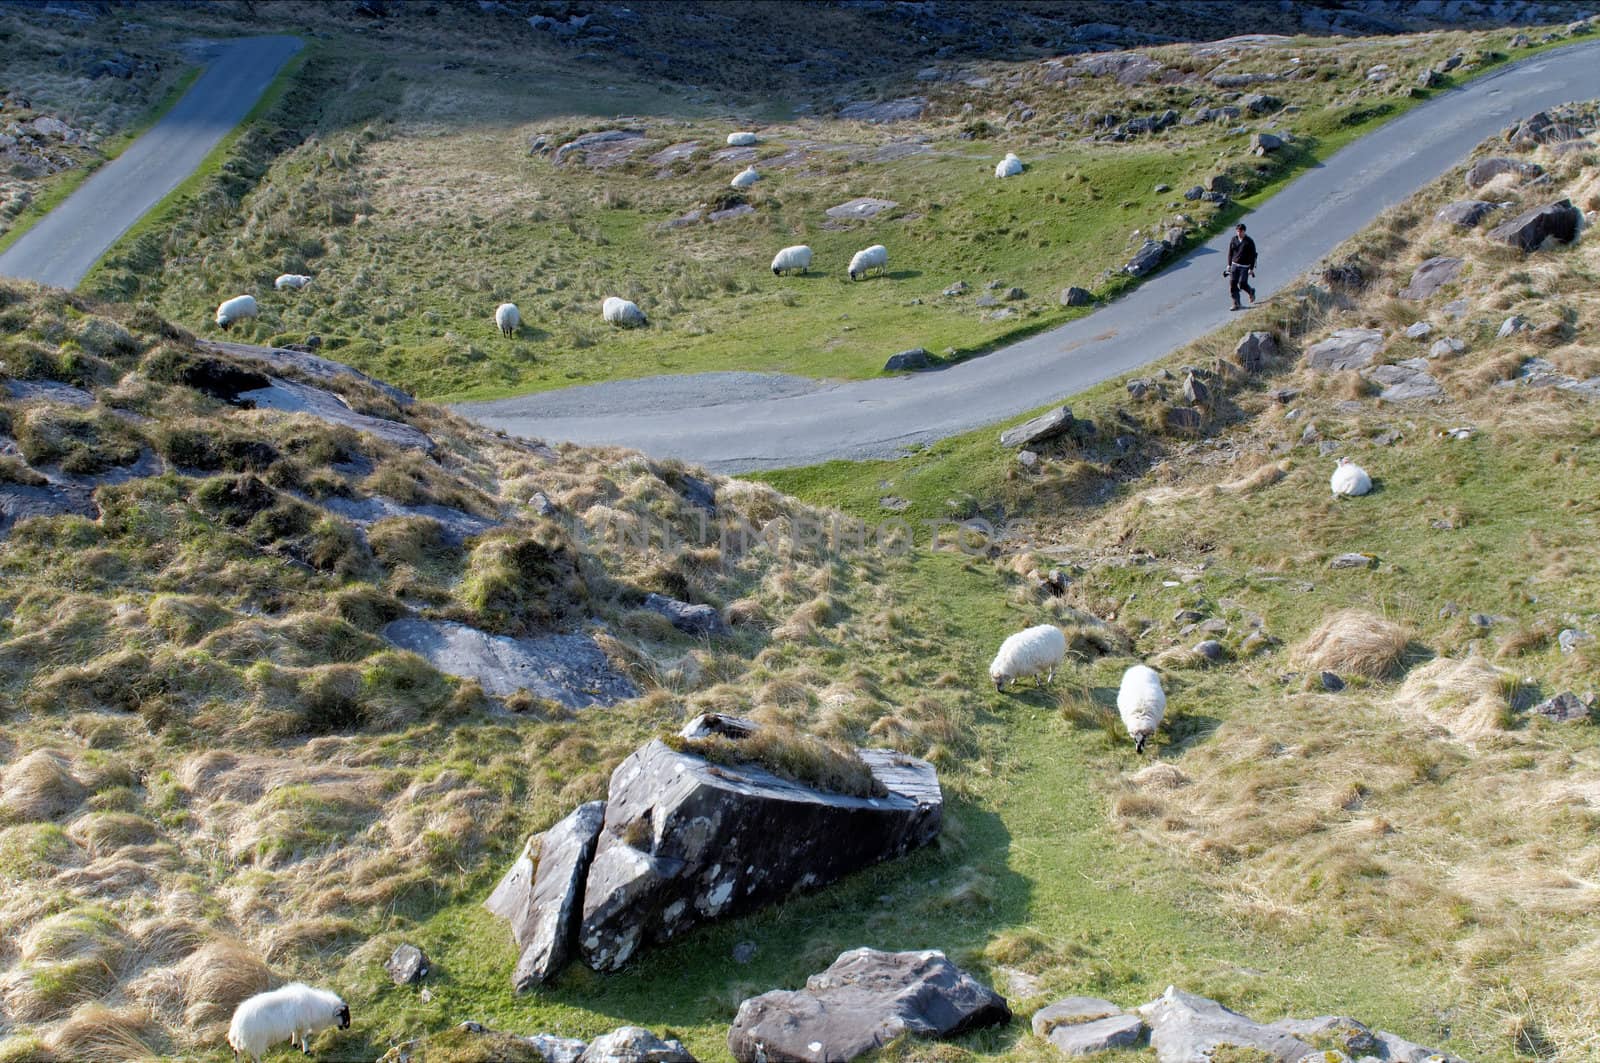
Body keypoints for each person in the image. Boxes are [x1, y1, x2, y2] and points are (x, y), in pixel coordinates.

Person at [1225, 222, 1257, 310]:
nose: (1239, 233)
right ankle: (1236, 303)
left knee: (1242, 283)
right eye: (1238, 231)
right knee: (1233, 283)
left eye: (1241, 231)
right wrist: (1229, 265)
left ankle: (1251, 292)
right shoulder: (1233, 240)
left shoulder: (1249, 241)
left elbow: (1253, 256)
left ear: (1244, 231)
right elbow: (1230, 253)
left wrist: (1251, 268)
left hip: (1245, 266)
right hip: (1235, 265)